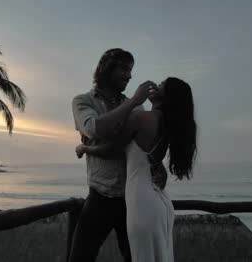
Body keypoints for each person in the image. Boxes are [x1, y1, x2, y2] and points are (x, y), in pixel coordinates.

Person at [76, 77, 197, 262]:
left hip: (141, 201)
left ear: (168, 96)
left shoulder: (140, 118)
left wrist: (84, 148)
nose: (156, 85)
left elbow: (110, 150)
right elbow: (150, 158)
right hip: (159, 201)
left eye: (162, 85)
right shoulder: (167, 124)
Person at [70, 48, 158, 262]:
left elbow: (139, 147)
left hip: (131, 198)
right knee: (80, 258)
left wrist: (157, 165)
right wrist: (133, 102)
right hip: (100, 196)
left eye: (131, 70)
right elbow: (95, 129)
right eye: (124, 68)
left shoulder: (135, 107)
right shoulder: (83, 101)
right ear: (107, 68)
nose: (129, 75)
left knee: (135, 258)